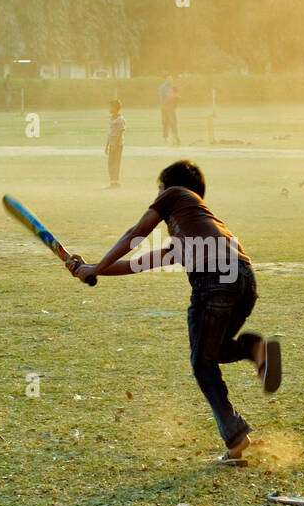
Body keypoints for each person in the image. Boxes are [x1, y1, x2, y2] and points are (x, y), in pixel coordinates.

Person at [67, 159, 281, 462]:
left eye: (158, 190)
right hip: (243, 281)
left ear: (170, 188)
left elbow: (135, 235)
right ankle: (254, 348)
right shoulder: (194, 232)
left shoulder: (175, 193)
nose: (156, 198)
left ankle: (235, 437)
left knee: (202, 363)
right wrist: (90, 269)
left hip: (214, 282)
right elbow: (137, 264)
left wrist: (96, 268)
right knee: (213, 351)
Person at [105, 99, 125, 187]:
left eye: (110, 107)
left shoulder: (120, 120)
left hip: (117, 145)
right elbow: (110, 133)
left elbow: (120, 133)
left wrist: (116, 145)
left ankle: (116, 181)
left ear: (115, 108)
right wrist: (107, 145)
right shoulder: (111, 118)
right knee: (110, 163)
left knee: (116, 163)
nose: (109, 109)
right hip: (112, 144)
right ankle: (112, 181)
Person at [159, 75, 181, 145]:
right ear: (166, 79)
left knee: (172, 123)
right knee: (166, 123)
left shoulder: (172, 87)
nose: (171, 80)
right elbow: (162, 97)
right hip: (166, 107)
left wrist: (174, 106)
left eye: (171, 79)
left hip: (170, 107)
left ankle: (174, 138)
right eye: (169, 79)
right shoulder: (163, 87)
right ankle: (167, 138)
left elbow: (177, 98)